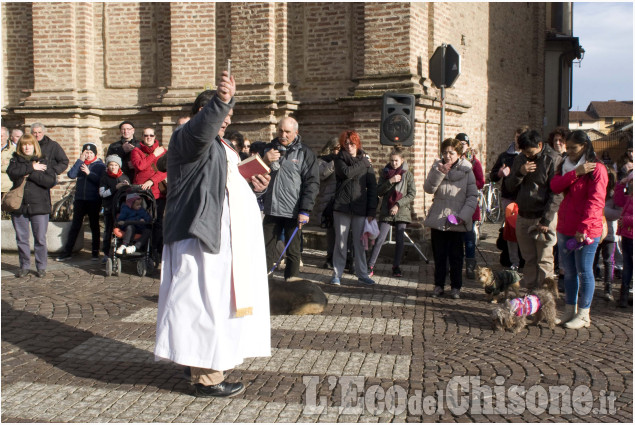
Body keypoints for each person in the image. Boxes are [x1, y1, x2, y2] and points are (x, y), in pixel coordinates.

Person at [155, 70, 272, 398]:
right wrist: (221, 101)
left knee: (215, 305)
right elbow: (202, 129)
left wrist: (256, 187)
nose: (225, 120)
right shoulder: (185, 137)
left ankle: (196, 363)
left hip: (225, 242)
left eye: (229, 116)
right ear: (200, 115)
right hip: (201, 237)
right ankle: (206, 377)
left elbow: (228, 186)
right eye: (222, 114)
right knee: (204, 306)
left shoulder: (224, 146)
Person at [550, 130, 608, 329]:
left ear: (584, 146)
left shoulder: (598, 169)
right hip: (566, 226)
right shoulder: (568, 165)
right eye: (568, 148)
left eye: (573, 149)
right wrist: (576, 172)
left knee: (584, 271)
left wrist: (584, 227)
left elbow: (595, 201)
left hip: (586, 229)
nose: (569, 152)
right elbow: (555, 186)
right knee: (569, 271)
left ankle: (584, 314)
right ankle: (569, 310)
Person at [261, 117, 320, 281]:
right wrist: (265, 160)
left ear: (296, 133)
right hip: (271, 209)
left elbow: (312, 183)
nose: (283, 135)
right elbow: (254, 173)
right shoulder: (268, 149)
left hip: (293, 212)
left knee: (293, 252)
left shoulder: (305, 153)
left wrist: (305, 210)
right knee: (266, 249)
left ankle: (291, 285)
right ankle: (266, 285)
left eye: (287, 132)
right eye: (280, 131)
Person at [504, 130, 563, 291]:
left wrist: (546, 219)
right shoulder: (520, 159)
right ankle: (531, 296)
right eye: (524, 153)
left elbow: (556, 193)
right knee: (528, 259)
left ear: (540, 145)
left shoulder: (553, 160)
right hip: (523, 215)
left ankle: (545, 299)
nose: (527, 156)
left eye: (530, 152)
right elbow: (509, 187)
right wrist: (520, 173)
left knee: (544, 260)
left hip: (543, 217)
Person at [424, 138, 478, 299]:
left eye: (451, 153)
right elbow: (428, 188)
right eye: (445, 152)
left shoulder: (467, 171)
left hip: (457, 219)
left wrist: (463, 216)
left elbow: (472, 196)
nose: (447, 156)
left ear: (459, 154)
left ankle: (456, 286)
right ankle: (438, 285)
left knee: (456, 256)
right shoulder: (437, 167)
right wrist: (439, 173)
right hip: (439, 218)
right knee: (439, 255)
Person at [330, 130, 378, 286]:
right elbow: (346, 173)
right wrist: (363, 163)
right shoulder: (340, 159)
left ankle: (362, 273)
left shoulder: (366, 162)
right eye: (346, 143)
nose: (349, 146)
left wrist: (371, 211)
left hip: (360, 207)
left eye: (352, 143)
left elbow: (372, 187)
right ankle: (337, 274)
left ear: (358, 144)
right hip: (342, 207)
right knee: (341, 243)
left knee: (359, 243)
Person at [6, 134, 57, 278]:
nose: (27, 147)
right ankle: (24, 266)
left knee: (40, 238)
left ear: (34, 145)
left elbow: (49, 181)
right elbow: (12, 173)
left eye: (29, 144)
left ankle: (41, 267)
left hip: (39, 205)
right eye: (24, 144)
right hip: (19, 206)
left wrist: (29, 173)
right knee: (22, 238)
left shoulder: (44, 160)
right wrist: (32, 167)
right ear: (20, 146)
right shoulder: (15, 160)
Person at [367, 145, 415, 278]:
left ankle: (396, 266)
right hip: (387, 210)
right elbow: (379, 191)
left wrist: (398, 205)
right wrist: (390, 181)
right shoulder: (385, 173)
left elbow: (411, 194)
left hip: (402, 210)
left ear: (402, 160)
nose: (394, 163)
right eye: (392, 160)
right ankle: (370, 265)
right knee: (380, 238)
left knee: (399, 240)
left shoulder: (408, 174)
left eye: (396, 161)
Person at [55, 143, 106, 262]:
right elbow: (71, 174)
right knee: (75, 226)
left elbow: (101, 181)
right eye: (86, 153)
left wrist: (89, 173)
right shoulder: (81, 164)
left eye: (90, 153)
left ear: (95, 154)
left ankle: (95, 252)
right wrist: (79, 160)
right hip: (80, 200)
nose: (88, 155)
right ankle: (67, 252)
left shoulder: (100, 166)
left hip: (93, 200)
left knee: (94, 226)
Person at [490, 126, 527, 270]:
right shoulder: (505, 156)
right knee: (511, 231)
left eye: (522, 136)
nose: (519, 140)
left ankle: (526, 259)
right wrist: (499, 173)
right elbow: (492, 176)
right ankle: (514, 261)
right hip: (509, 199)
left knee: (524, 231)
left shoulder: (530, 156)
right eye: (517, 137)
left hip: (526, 199)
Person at [131, 127, 167, 256]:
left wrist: (151, 181)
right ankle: (142, 249)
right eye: (146, 135)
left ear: (155, 136)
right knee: (143, 221)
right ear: (142, 136)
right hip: (141, 192)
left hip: (158, 192)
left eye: (151, 135)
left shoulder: (163, 151)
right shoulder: (136, 150)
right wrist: (154, 155)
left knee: (157, 222)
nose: (149, 137)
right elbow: (140, 166)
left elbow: (164, 171)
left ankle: (156, 250)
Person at [456, 132, 484, 279]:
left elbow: (481, 181)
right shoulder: (453, 161)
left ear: (468, 145)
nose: (461, 146)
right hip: (455, 205)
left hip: (470, 205)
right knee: (456, 239)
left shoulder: (474, 162)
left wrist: (468, 185)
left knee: (469, 238)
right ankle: (456, 265)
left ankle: (470, 267)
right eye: (458, 143)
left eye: (464, 144)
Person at [593, 168, 621, 301]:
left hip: (609, 233)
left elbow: (618, 214)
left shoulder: (615, 195)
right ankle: (590, 286)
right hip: (595, 231)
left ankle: (608, 288)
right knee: (593, 260)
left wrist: (601, 210)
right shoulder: (596, 191)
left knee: (608, 261)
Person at [312, 137, 340, 269]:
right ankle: (330, 258)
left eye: (340, 149)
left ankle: (344, 258)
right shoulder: (322, 161)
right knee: (332, 232)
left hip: (342, 201)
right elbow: (322, 174)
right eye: (336, 148)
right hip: (328, 202)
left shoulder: (345, 161)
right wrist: (335, 162)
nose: (338, 151)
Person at [99, 155, 130, 260]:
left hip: (122, 209)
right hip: (109, 208)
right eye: (111, 165)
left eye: (115, 165)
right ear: (108, 166)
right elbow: (102, 193)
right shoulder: (104, 177)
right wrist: (115, 188)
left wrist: (126, 186)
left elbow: (129, 194)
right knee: (107, 231)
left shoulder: (124, 177)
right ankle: (106, 253)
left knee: (121, 229)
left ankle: (120, 249)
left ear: (119, 166)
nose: (113, 167)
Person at [614, 171, 632, 308]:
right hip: (627, 236)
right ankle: (623, 297)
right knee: (627, 267)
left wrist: (625, 220)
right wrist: (621, 184)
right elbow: (618, 200)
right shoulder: (630, 198)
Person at [2, 128, 23, 194]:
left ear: (7, 137)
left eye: (1, 136)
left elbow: (13, 168)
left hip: (6, 188)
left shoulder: (14, 150)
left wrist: (7, 164)